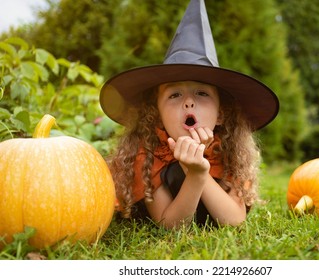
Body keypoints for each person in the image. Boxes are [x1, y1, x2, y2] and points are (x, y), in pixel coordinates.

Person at [99, 0, 279, 229]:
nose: (189, 102)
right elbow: (171, 226)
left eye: (202, 93)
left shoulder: (233, 150)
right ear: (157, 114)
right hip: (171, 214)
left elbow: (234, 221)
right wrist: (191, 173)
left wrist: (199, 166)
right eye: (174, 95)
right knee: (174, 172)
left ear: (221, 114)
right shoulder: (147, 155)